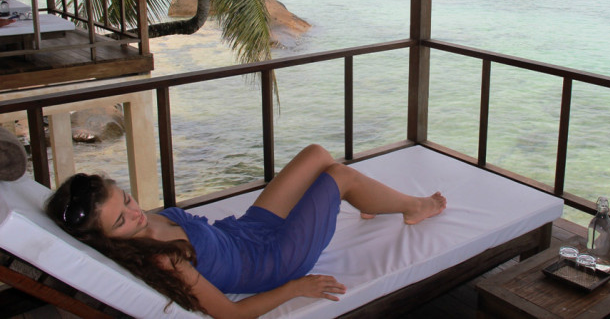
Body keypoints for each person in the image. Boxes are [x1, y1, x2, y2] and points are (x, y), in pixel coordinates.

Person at [45, 144, 446, 318]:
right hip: (274, 260)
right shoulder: (164, 261)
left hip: (248, 232)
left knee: (317, 156)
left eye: (127, 200)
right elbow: (231, 315)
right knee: (339, 175)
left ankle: (368, 201)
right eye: (121, 221)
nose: (136, 214)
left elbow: (148, 219)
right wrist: (295, 288)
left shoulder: (142, 223)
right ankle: (414, 207)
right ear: (107, 239)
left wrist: (130, 215)